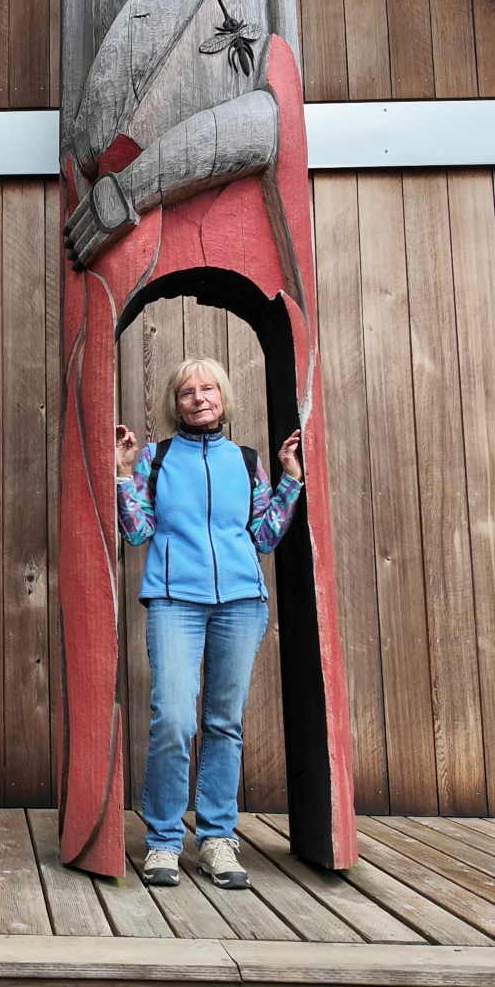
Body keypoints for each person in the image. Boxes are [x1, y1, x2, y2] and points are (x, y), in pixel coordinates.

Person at [115, 356, 302, 889]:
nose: (198, 398)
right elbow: (137, 532)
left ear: (222, 397)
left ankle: (218, 839)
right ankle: (163, 840)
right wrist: (123, 475)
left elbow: (263, 537)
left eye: (208, 389)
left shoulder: (247, 461)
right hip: (174, 599)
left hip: (241, 602)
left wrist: (290, 481)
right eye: (187, 392)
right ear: (175, 405)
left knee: (224, 723)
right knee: (174, 719)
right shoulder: (155, 458)